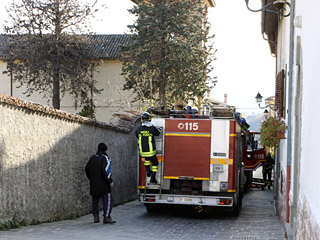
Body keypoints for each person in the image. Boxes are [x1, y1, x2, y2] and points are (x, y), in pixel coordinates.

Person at [85, 142, 116, 224]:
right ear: (105, 150)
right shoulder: (105, 158)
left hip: (94, 183)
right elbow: (106, 170)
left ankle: (96, 216)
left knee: (95, 200)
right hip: (104, 184)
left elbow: (87, 168)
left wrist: (91, 178)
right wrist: (110, 181)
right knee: (108, 200)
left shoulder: (92, 158)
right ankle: (106, 217)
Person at [135, 112, 161, 184]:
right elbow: (158, 133)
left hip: (142, 152)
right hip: (151, 151)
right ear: (149, 119)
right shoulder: (152, 128)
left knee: (147, 159)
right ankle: (153, 178)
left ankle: (148, 171)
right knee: (155, 163)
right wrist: (159, 129)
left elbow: (136, 135)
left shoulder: (139, 129)